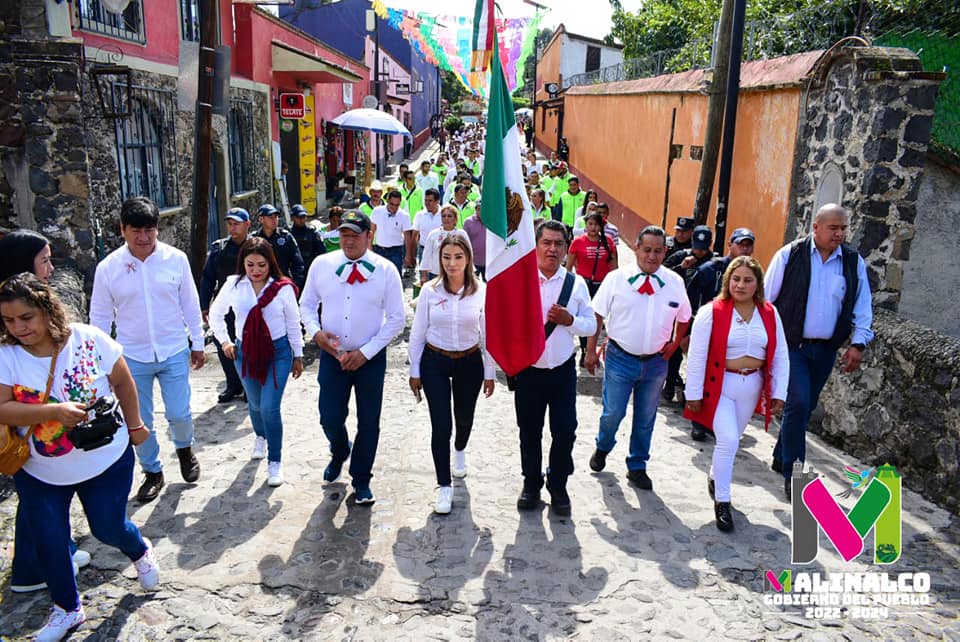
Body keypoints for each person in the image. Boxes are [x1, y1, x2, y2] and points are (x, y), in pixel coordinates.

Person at [0, 274, 160, 641]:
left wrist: (136, 425)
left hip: (104, 459)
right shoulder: (6, 357)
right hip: (39, 469)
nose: (18, 328)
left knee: (108, 528)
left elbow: (122, 381)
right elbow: (2, 409)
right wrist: (51, 413)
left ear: (46, 310)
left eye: (26, 317)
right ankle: (67, 609)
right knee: (49, 540)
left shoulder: (88, 339)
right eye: (9, 320)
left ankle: (138, 551)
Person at [89, 197, 204, 503]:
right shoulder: (108, 268)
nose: (143, 238)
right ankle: (152, 471)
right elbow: (99, 318)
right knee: (140, 421)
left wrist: (198, 343)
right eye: (136, 231)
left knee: (179, 412)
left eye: (149, 230)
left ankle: (184, 450)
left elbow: (190, 304)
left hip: (173, 349)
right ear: (123, 230)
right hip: (131, 357)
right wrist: (102, 363)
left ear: (157, 229)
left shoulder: (175, 259)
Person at [0, 231, 91, 593]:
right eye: (45, 260)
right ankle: (31, 569)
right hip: (25, 420)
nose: (52, 269)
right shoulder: (13, 320)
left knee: (43, 493)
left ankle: (58, 551)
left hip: (34, 420)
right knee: (37, 495)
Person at [766, 203, 873, 500]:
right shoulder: (790, 255)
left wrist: (858, 342)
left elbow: (862, 306)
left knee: (805, 406)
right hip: (792, 347)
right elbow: (767, 300)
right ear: (816, 227)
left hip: (825, 350)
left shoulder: (852, 262)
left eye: (843, 228)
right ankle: (794, 474)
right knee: (798, 402)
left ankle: (780, 454)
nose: (839, 233)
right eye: (833, 228)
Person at [299, 211, 405, 504]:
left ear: (369, 235)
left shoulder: (385, 270)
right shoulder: (322, 265)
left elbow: (397, 319)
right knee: (329, 416)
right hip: (333, 357)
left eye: (354, 235)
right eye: (344, 234)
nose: (348, 240)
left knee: (369, 421)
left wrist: (366, 352)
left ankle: (361, 479)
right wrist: (316, 333)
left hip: (369, 359)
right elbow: (306, 304)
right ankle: (339, 449)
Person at [684, 257, 789, 531]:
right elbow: (696, 355)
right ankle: (723, 501)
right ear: (727, 281)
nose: (741, 285)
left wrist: (779, 391)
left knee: (732, 440)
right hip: (721, 387)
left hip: (751, 387)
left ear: (758, 284)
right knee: (729, 440)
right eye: (736, 279)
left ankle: (714, 476)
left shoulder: (769, 313)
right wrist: (692, 393)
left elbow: (779, 355)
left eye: (748, 280)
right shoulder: (712, 312)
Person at [585, 225, 692, 490]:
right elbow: (596, 314)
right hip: (620, 358)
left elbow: (685, 316)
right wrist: (589, 350)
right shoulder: (616, 279)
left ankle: (637, 465)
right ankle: (603, 445)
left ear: (665, 252)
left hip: (656, 362)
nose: (652, 256)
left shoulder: (674, 283)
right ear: (636, 249)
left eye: (658, 251)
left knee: (646, 417)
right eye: (647, 250)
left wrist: (675, 343)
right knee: (613, 412)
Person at [514, 220, 597, 516]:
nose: (551, 249)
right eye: (546, 243)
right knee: (529, 431)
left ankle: (558, 483)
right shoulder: (520, 280)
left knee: (565, 430)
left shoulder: (575, 285)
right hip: (529, 370)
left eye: (558, 244)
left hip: (562, 371)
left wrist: (569, 320)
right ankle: (532, 483)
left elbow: (591, 324)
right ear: (535, 246)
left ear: (566, 248)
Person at [408, 235, 495, 514]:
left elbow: (488, 335)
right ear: (439, 259)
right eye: (446, 257)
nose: (452, 263)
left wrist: (490, 372)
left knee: (464, 418)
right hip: (435, 361)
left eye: (458, 257)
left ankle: (460, 449)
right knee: (441, 424)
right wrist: (414, 370)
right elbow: (418, 332)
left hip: (469, 362)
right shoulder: (430, 291)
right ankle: (443, 486)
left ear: (468, 258)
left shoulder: (481, 290)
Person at [209, 238, 304, 487]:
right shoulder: (234, 285)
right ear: (243, 264)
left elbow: (294, 323)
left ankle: (275, 461)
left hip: (278, 352)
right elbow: (216, 314)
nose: (256, 270)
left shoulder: (282, 288)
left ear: (270, 263)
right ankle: (260, 436)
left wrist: (298, 355)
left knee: (270, 407)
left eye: (261, 264)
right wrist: (225, 342)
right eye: (250, 264)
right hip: (245, 352)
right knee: (255, 403)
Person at [685, 227, 756, 441]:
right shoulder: (711, 269)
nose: (744, 248)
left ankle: (717, 421)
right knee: (704, 376)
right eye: (740, 243)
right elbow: (691, 299)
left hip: (736, 335)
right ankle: (698, 421)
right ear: (730, 245)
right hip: (710, 331)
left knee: (725, 381)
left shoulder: (753, 273)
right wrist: (687, 333)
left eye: (748, 244)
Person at [199, 207, 252, 404]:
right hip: (225, 306)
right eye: (230, 224)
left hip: (248, 307)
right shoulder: (219, 249)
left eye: (236, 223)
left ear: (248, 224)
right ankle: (233, 384)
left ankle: (249, 385)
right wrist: (205, 305)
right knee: (223, 344)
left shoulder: (256, 247)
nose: (232, 228)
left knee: (248, 346)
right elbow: (207, 278)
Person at [662, 225, 715, 405]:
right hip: (679, 313)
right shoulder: (680, 256)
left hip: (703, 315)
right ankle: (670, 384)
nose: (699, 251)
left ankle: (690, 389)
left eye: (703, 247)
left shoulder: (715, 263)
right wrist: (681, 267)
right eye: (697, 246)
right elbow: (663, 276)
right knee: (674, 350)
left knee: (697, 355)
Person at [566, 211, 618, 364]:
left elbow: (614, 266)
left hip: (603, 286)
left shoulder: (608, 242)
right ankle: (584, 349)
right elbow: (568, 267)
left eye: (596, 224)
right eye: (590, 224)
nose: (593, 227)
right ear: (586, 225)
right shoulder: (577, 242)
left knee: (597, 318)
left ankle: (592, 348)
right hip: (584, 285)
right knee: (584, 317)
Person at [255, 204, 306, 291]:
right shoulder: (254, 239)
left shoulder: (286, 237)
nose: (274, 220)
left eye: (276, 217)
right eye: (270, 217)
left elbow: (298, 263)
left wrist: (296, 285)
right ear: (261, 219)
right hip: (261, 286)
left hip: (283, 285)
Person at [370, 189, 415, 277]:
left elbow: (407, 237)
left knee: (395, 276)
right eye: (392, 204)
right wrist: (369, 248)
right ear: (387, 201)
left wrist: (408, 255)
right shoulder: (377, 211)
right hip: (379, 250)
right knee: (379, 276)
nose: (394, 207)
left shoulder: (404, 216)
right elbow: (371, 231)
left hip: (396, 251)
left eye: (397, 205)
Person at [420, 205, 469, 283]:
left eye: (449, 216)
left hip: (457, 273)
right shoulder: (433, 234)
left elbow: (468, 255)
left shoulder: (461, 234)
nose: (446, 219)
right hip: (436, 274)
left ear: (455, 219)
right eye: (444, 216)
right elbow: (426, 255)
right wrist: (424, 276)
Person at [289, 203, 327, 274]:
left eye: (304, 217)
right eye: (299, 217)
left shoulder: (312, 232)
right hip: (294, 269)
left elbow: (322, 251)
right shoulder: (288, 233)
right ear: (292, 218)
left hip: (310, 268)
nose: (302, 220)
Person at [412, 188, 444, 272]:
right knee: (424, 278)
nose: (427, 203)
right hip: (424, 251)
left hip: (441, 251)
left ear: (437, 201)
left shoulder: (445, 215)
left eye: (430, 200)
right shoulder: (419, 215)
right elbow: (415, 235)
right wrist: (412, 255)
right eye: (425, 200)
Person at [461, 202, 487, 281]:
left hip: (488, 261)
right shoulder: (468, 222)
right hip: (473, 261)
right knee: (472, 285)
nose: (481, 211)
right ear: (475, 210)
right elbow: (464, 241)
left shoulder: (492, 222)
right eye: (479, 209)